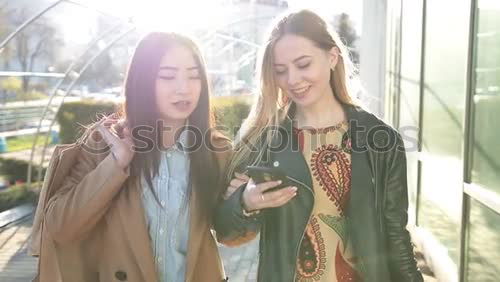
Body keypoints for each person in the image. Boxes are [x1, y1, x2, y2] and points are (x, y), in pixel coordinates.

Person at [214, 10, 424, 282]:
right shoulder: (263, 141)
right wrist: (245, 203)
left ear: (332, 57)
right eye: (281, 71)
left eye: (303, 64)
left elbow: (396, 234)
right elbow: (225, 232)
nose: (292, 80)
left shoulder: (381, 139)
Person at [31, 32, 231, 282]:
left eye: (194, 75)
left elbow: (231, 235)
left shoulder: (217, 151)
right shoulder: (104, 144)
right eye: (168, 76)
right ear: (143, 81)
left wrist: (245, 204)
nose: (184, 88)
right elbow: (60, 227)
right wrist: (115, 166)